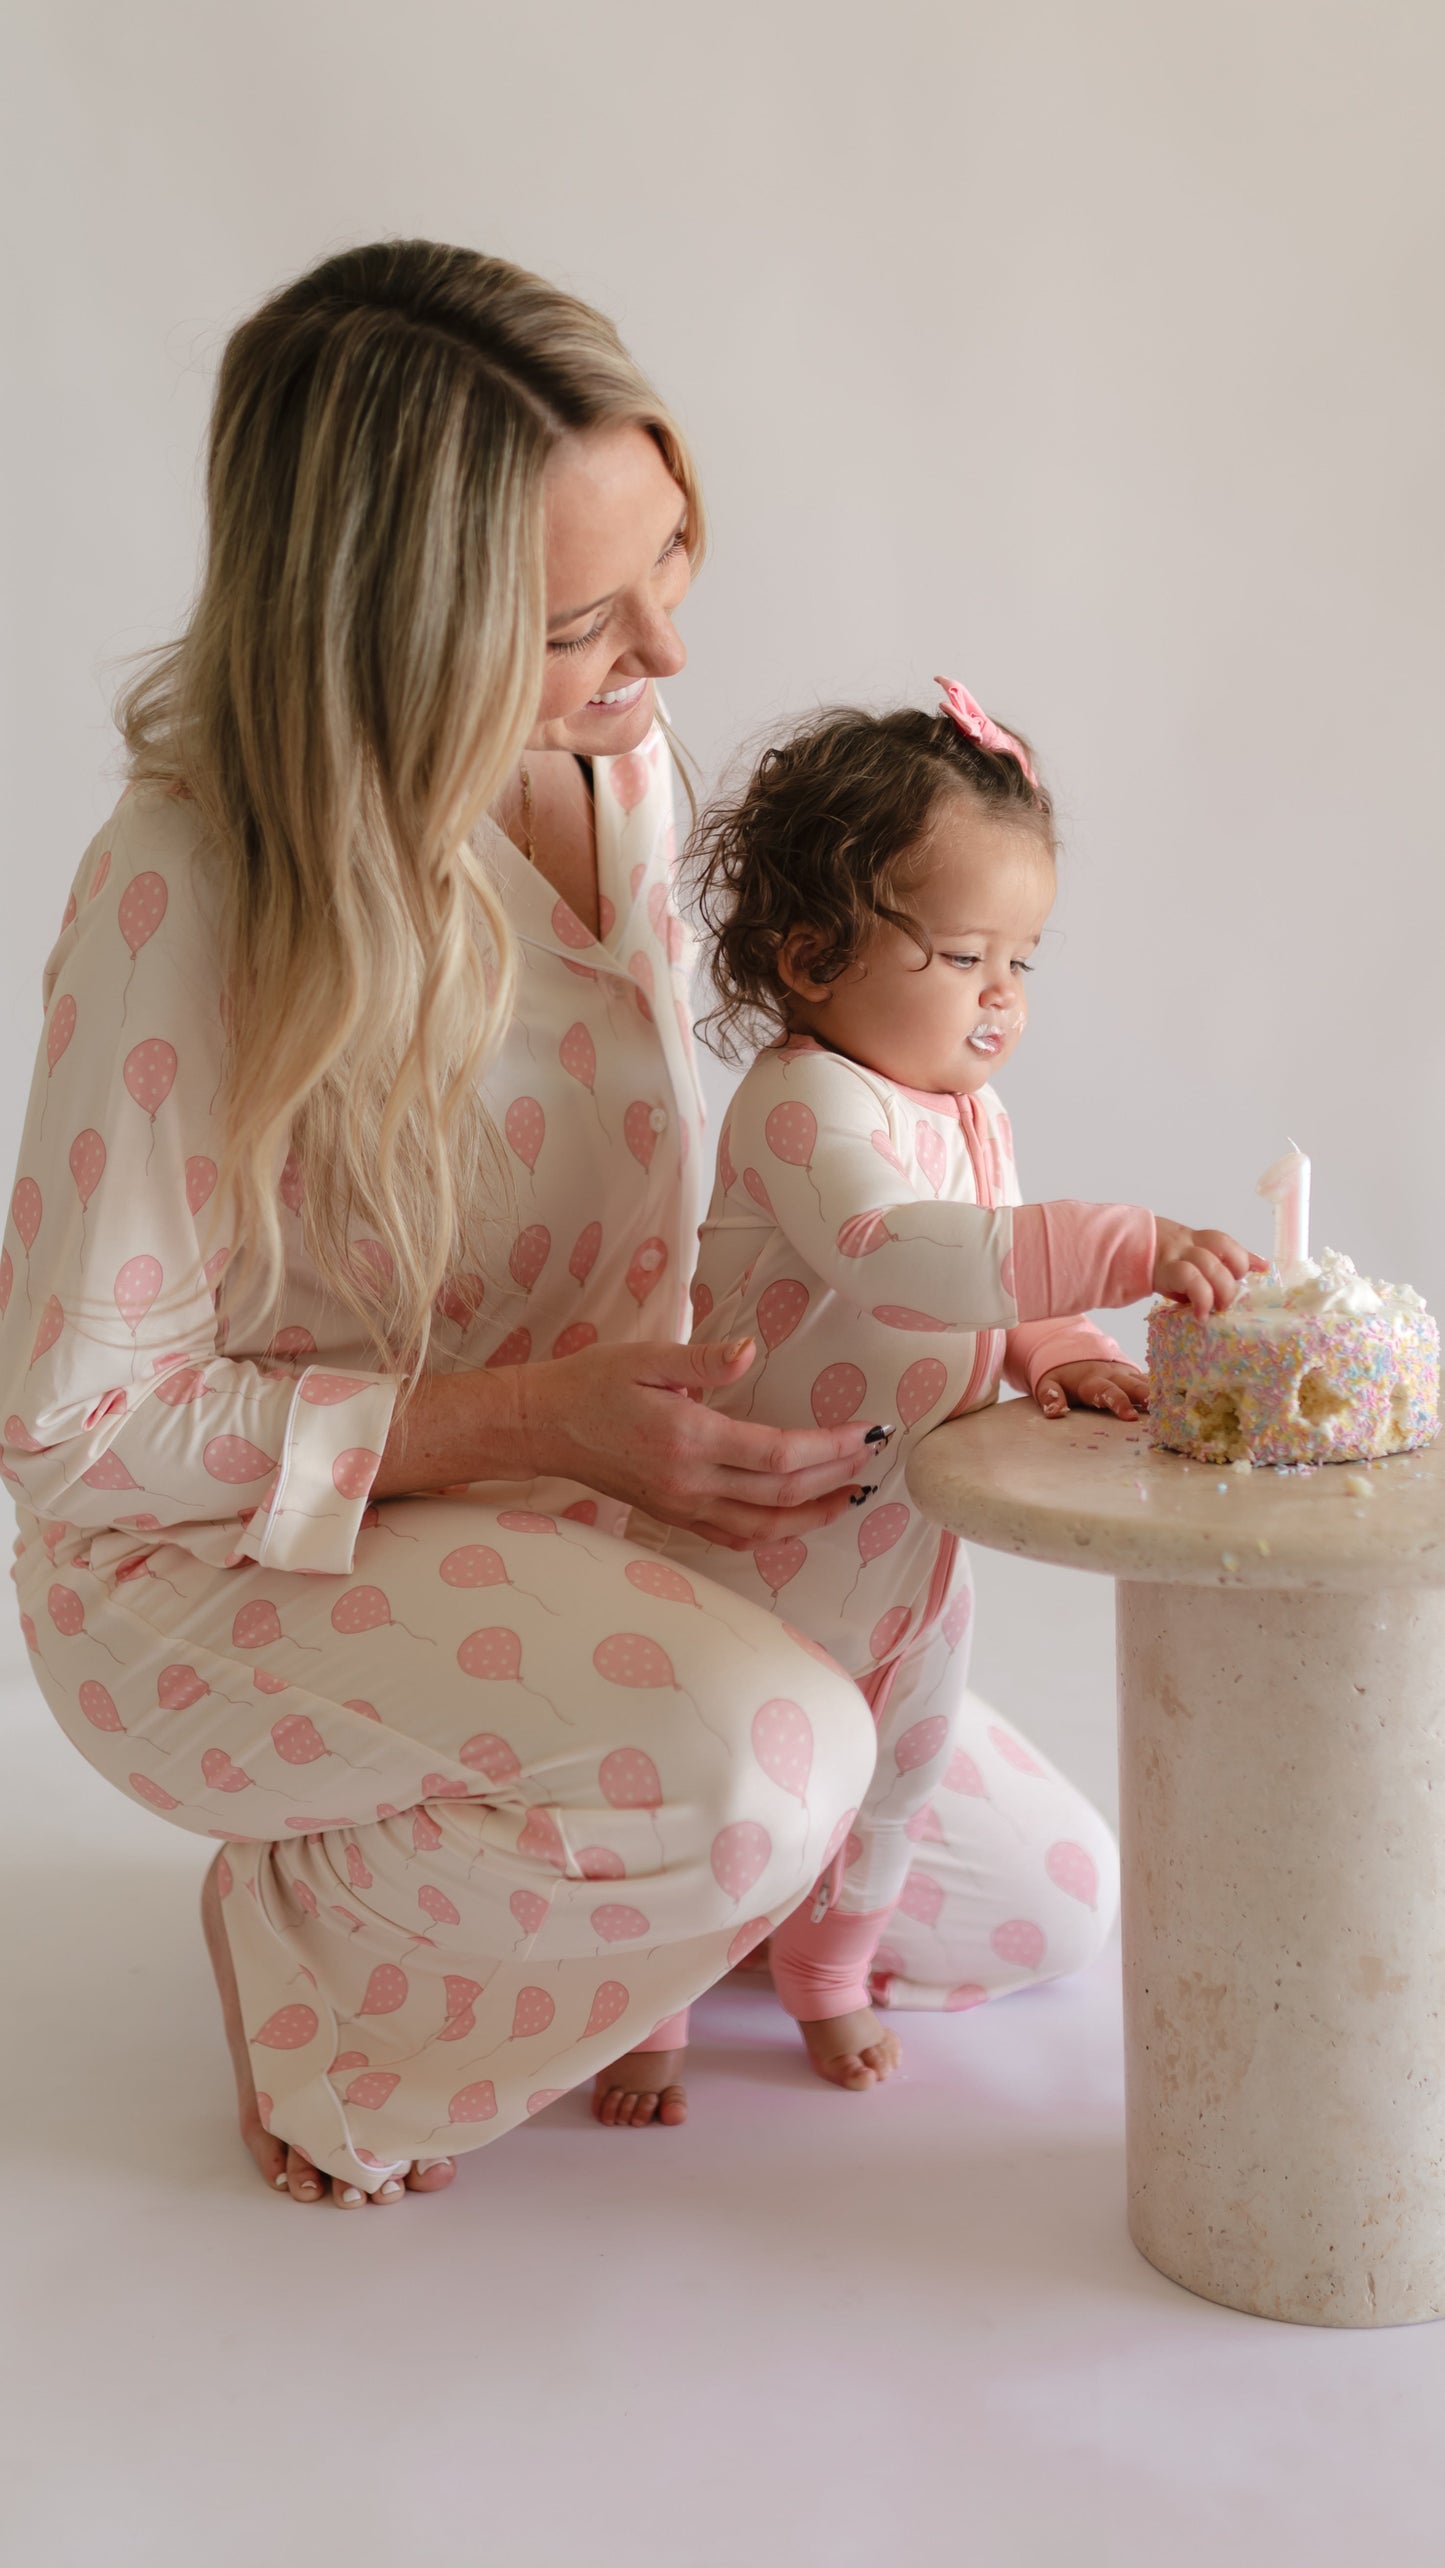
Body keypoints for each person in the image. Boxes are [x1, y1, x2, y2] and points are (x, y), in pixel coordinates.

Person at [0, 240, 884, 2205]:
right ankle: (310, 1970)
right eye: (588, 619)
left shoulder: (615, 765)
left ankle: (537, 1861)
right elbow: (75, 1430)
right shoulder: (185, 887)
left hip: (559, 1500)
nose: (663, 660)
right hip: (219, 1571)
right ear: (392, 637)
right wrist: (535, 1424)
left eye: (676, 562)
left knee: (1000, 1914)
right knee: (771, 1779)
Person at [637, 681, 1260, 2092]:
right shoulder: (804, 1105)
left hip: (903, 1566)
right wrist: (1122, 1242)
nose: (1000, 997)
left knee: (897, 1784)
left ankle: (823, 1970)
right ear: (809, 958)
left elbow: (1000, 1287)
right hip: (750, 1565)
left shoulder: (969, 1114)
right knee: (713, 1791)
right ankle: (648, 2005)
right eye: (965, 952)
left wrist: (1073, 1351)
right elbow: (901, 1258)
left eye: (1023, 961)